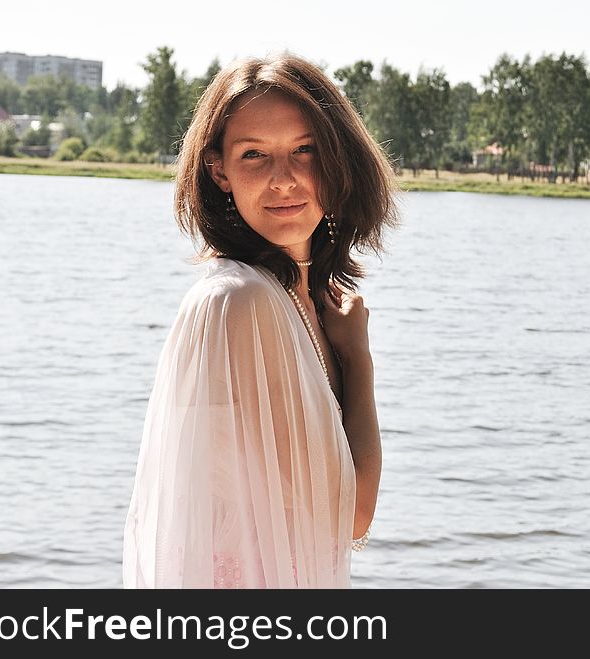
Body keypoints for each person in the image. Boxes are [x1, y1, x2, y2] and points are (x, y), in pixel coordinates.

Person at [122, 53, 398, 588]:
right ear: (219, 169)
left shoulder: (296, 300)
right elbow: (352, 518)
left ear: (336, 160)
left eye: (304, 150)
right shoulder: (239, 303)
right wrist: (359, 363)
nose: (284, 179)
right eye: (254, 155)